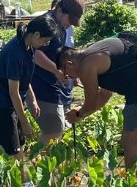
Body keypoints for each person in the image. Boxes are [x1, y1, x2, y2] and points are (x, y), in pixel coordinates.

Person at [60, 35, 137, 174]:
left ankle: (132, 182)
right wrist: (81, 112)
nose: (70, 78)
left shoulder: (86, 65)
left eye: (67, 74)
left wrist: (79, 114)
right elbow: (104, 95)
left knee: (129, 139)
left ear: (69, 63)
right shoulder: (97, 51)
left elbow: (90, 104)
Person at [0, 14, 58, 157]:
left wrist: (33, 99)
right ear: (36, 34)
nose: (46, 45)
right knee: (12, 152)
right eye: (46, 41)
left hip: (12, 102)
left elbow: (24, 78)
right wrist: (24, 123)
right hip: (0, 103)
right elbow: (13, 92)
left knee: (19, 145)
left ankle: (24, 177)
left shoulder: (29, 46)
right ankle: (22, 179)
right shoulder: (15, 53)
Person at [30, 0, 84, 145]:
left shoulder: (60, 26)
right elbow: (36, 55)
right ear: (59, 10)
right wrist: (56, 71)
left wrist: (70, 72)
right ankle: (38, 164)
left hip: (53, 85)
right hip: (40, 84)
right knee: (54, 130)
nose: (70, 24)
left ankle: (45, 163)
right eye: (69, 19)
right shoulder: (46, 24)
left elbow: (57, 53)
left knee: (58, 129)